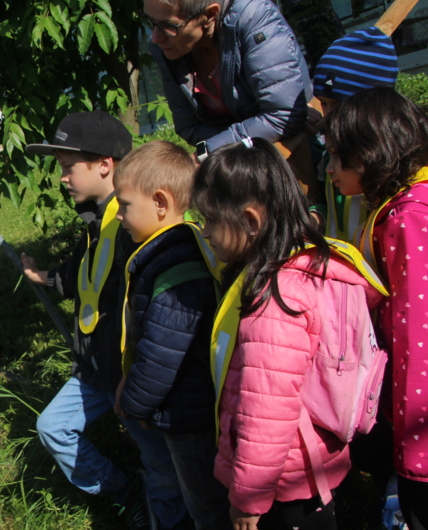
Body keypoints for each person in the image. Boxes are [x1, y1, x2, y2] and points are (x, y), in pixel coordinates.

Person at [192, 138, 383, 529]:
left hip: (284, 485)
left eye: (211, 219)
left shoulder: (276, 301)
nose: (205, 232)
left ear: (250, 220)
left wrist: (248, 498)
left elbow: (267, 412)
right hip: (312, 466)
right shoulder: (310, 263)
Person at [21, 111, 188, 529]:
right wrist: (44, 276)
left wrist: (135, 381)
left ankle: (167, 517)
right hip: (96, 369)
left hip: (128, 376)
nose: (62, 177)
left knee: (164, 465)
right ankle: (125, 490)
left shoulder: (132, 225)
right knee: (53, 427)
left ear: (104, 165)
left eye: (67, 167)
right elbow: (85, 276)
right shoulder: (96, 222)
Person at [320, 87, 428, 530]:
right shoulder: (403, 206)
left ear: (367, 156)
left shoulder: (408, 218)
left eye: (334, 158)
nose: (327, 171)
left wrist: (413, 449)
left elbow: (416, 336)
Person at [112, 141, 230, 530]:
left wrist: (134, 403)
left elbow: (162, 354)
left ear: (160, 203)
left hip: (188, 416)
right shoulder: (172, 252)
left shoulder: (177, 265)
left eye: (125, 205)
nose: (119, 217)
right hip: (182, 407)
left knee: (207, 508)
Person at [143, 0, 313, 159]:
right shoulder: (168, 49)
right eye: (150, 21)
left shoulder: (254, 16)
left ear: (209, 15)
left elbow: (282, 115)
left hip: (298, 153)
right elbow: (189, 128)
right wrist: (230, 141)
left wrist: (209, 150)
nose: (155, 38)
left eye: (168, 26)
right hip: (236, 158)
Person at [309, 26, 399, 242]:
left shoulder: (394, 171)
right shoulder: (328, 160)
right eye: (324, 104)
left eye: (337, 105)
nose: (328, 116)